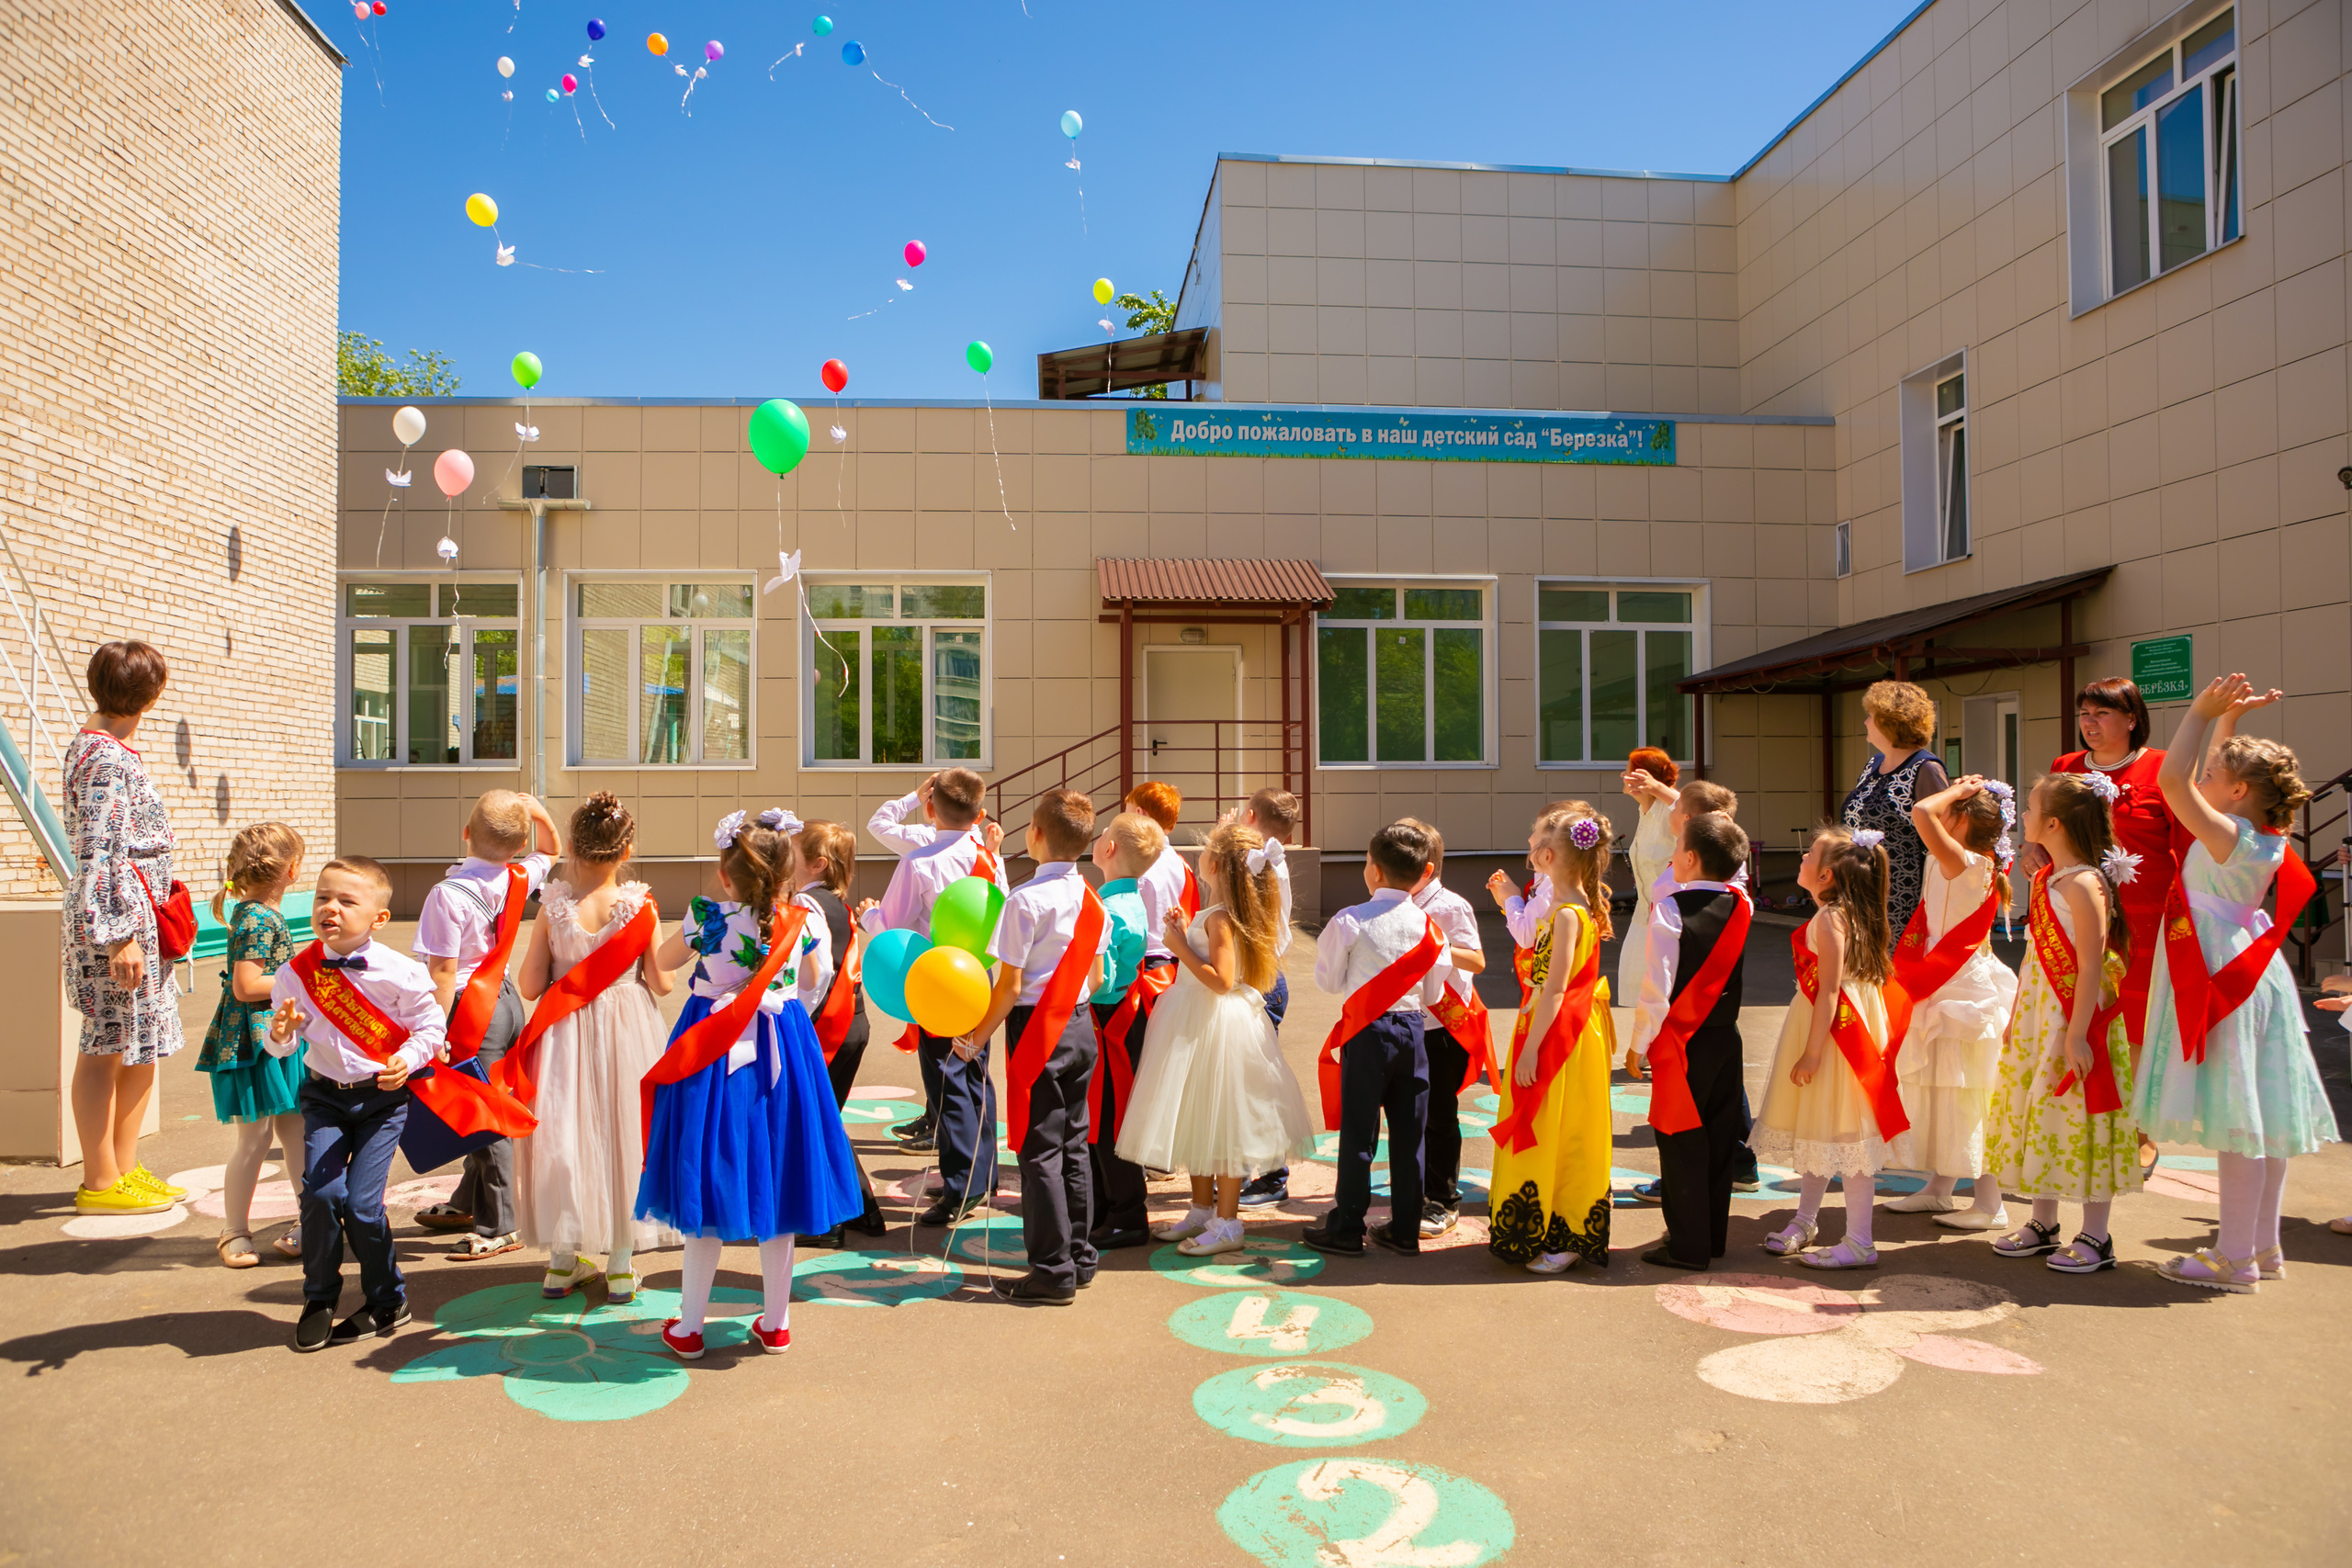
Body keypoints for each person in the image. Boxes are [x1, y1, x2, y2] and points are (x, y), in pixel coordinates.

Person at [2136, 677, 2340, 1292]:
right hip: (2248, 969)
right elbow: (2203, 781)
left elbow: (2172, 781)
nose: (2201, 777)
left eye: (2214, 773)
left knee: (2237, 1120)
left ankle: (2234, 1257)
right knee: (2259, 1117)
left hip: (2220, 975)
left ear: (2239, 791)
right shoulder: (2256, 834)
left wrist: (2199, 714)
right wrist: (2227, 724)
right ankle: (2262, 1246)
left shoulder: (2230, 836)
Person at [639, 812, 863, 1359]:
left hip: (711, 1049)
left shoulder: (705, 917)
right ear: (787, 873)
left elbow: (661, 963)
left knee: (705, 1172)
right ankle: (776, 1324)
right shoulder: (802, 920)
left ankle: (691, 1326)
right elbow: (815, 979)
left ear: (724, 874)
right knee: (780, 1177)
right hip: (782, 1046)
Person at [264, 856, 447, 1351]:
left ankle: (388, 1300)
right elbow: (280, 1045)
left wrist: (408, 1058)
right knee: (320, 1197)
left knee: (363, 1207)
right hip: (323, 1097)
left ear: (378, 917)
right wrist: (279, 1035)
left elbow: (431, 1028)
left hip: (382, 1101)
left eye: (347, 901)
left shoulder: (402, 971)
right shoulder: (295, 973)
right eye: (323, 897)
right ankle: (319, 1297)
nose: (331, 908)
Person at [503, 793, 679, 1305]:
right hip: (628, 1028)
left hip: (564, 1032)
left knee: (566, 1135)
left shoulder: (553, 906)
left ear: (574, 847)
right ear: (627, 851)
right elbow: (663, 982)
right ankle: (621, 1265)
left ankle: (562, 1262)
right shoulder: (640, 906)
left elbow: (530, 986)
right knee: (625, 1134)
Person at [1121, 821, 1313, 1258]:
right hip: (1199, 1020)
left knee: (1221, 1126)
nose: (1200, 853)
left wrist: (1178, 946)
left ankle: (1227, 1223)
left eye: (1207, 848)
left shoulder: (1222, 918)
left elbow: (1222, 981)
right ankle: (1201, 1210)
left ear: (1219, 866)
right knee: (1197, 1117)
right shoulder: (1218, 913)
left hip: (1214, 1023)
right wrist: (1185, 931)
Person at [1977, 773, 2143, 1274]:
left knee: (2083, 1114)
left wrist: (2077, 1034)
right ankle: (2043, 1222)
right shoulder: (2049, 877)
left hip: (2075, 1018)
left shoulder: (2085, 883)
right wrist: (2017, 1016)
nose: (2024, 817)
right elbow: (2035, 959)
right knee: (2041, 1111)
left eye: (2030, 809)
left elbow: (2091, 965)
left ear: (2053, 824)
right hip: (2039, 1017)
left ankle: (2097, 1234)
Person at [968, 789, 1114, 1303]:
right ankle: (1078, 1256)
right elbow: (1097, 978)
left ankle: (1052, 1272)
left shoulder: (1024, 901)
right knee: (1074, 1144)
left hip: (1037, 1029)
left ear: (1034, 835)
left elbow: (1009, 987)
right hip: (1080, 1024)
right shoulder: (1092, 899)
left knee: (1040, 1152)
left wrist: (975, 1040)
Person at [2043, 676, 2193, 1173]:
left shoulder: (2163, 767)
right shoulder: (2065, 768)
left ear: (2131, 719)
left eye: (2101, 713)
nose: (2089, 723)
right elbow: (2046, 830)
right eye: (2084, 713)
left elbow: (2187, 844)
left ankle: (2142, 1131)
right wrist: (2032, 849)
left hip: (2145, 921)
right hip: (2075, 914)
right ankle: (2080, 1122)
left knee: (2135, 1024)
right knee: (2071, 1012)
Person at [64, 640, 189, 1214]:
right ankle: (99, 1181)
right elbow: (100, 850)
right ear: (152, 695)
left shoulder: (104, 748)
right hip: (119, 919)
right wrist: (118, 934)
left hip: (133, 915)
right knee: (107, 1044)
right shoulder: (106, 758)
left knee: (138, 1046)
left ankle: (123, 1166)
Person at [411, 789, 560, 1259]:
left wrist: (431, 1030)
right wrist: (539, 814)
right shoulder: (518, 875)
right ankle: (466, 1201)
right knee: (491, 1097)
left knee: (481, 1112)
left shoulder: (447, 894)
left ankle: (502, 1223)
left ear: (466, 833)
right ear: (520, 844)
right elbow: (553, 850)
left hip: (469, 1008)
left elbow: (442, 971)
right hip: (506, 1000)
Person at [857, 768, 1005, 1224]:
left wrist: (869, 918)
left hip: (938, 982)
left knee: (947, 1081)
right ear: (979, 816)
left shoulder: (918, 862)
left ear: (929, 809)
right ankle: (983, 1174)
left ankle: (961, 1189)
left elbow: (896, 925)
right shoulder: (988, 856)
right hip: (978, 978)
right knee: (975, 1074)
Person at [1752, 827, 1902, 1269]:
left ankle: (1860, 1241)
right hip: (1840, 1027)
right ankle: (1805, 1220)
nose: (1801, 859)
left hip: (1836, 1036)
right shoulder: (1850, 912)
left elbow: (1830, 991)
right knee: (1820, 1128)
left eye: (1809, 855)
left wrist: (1812, 1052)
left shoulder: (1831, 918)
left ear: (1826, 875)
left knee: (1847, 1136)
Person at [1304, 822, 1444, 1258]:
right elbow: (1434, 993)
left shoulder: (1350, 919)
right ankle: (1405, 1228)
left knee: (1359, 1133)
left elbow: (1328, 982)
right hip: (1413, 1031)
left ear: (1375, 871)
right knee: (1410, 1134)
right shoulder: (1429, 926)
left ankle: (1348, 1226)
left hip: (1367, 1032)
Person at [1884, 776, 2018, 1230]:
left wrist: (1955, 792)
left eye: (1952, 811)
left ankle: (1990, 1204)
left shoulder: (1964, 860)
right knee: (1948, 1087)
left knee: (1968, 1092)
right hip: (1947, 978)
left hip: (1958, 984)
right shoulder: (1963, 858)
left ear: (1960, 820)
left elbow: (1921, 811)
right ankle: (1940, 1188)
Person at [1487, 804, 1614, 1275]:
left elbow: (1556, 989)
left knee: (1558, 1126)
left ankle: (1565, 1232)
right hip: (1560, 1026)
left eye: (1536, 836)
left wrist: (1530, 1050)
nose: (1529, 842)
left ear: (1546, 856)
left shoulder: (1566, 914)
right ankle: (1557, 1226)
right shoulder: (1574, 906)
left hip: (1559, 1033)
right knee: (1565, 1127)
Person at [1631, 812, 1755, 1270]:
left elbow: (1657, 988)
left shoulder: (1669, 909)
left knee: (1680, 1141)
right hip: (1726, 1038)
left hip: (1683, 1043)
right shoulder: (1742, 903)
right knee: (1720, 1139)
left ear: (1688, 858)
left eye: (1677, 847)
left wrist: (1638, 1043)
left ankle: (1687, 1246)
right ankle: (1712, 1237)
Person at [197, 823, 309, 1267]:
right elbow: (246, 986)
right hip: (259, 1040)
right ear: (293, 870)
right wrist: (301, 979)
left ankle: (309, 1220)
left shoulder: (254, 912)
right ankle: (234, 1231)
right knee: (258, 1137)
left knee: (294, 1130)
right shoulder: (260, 917)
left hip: (275, 1035)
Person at [795, 818, 891, 1247]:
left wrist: (796, 1018)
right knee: (826, 1118)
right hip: (851, 1020)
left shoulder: (806, 904)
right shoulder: (837, 903)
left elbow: (815, 974)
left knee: (813, 1121)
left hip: (826, 1023)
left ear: (816, 864)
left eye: (790, 854)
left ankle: (827, 1222)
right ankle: (863, 1210)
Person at [1401, 819, 1489, 1238]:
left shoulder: (1450, 906)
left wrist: (1432, 946)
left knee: (1438, 1116)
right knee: (1408, 1114)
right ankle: (1414, 1190)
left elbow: (1476, 960)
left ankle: (1442, 1199)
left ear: (1426, 868)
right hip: (1405, 1020)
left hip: (1442, 1025)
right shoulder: (1395, 902)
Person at [1085, 811, 1163, 1249]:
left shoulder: (1108, 910)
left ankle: (1126, 1213)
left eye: (1103, 834)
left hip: (1108, 1020)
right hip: (1121, 1017)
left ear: (1109, 849)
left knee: (1109, 1119)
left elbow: (1102, 981)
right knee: (1106, 1116)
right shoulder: (1128, 899)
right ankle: (1106, 1207)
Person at [1230, 788, 1303, 1210]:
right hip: (1265, 978)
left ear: (1251, 816)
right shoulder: (1269, 859)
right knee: (1245, 1082)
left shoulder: (1254, 862)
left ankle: (1272, 1176)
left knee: (1255, 1083)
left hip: (1256, 982)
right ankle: (1241, 1169)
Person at [1839, 682, 1950, 939]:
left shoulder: (1925, 768)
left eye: (1870, 716)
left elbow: (1946, 834)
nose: (1865, 722)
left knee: (1891, 960)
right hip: (1863, 886)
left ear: (1889, 722)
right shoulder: (1874, 764)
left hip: (1900, 894)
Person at [1618, 748, 1681, 1002]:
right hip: (1643, 917)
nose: (1623, 776)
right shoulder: (1645, 812)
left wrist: (1657, 788)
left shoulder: (1671, 810)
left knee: (1664, 998)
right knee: (1641, 998)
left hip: (1671, 921)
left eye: (1629, 772)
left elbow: (1699, 816)